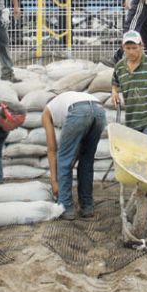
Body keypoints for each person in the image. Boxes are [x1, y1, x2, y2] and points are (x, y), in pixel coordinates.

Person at [41, 91, 107, 220]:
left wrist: (55, 182)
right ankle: (87, 207)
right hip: (99, 111)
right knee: (86, 161)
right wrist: (70, 162)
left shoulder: (47, 111)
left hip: (79, 111)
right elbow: (77, 148)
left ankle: (65, 208)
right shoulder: (67, 99)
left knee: (63, 159)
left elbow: (52, 150)